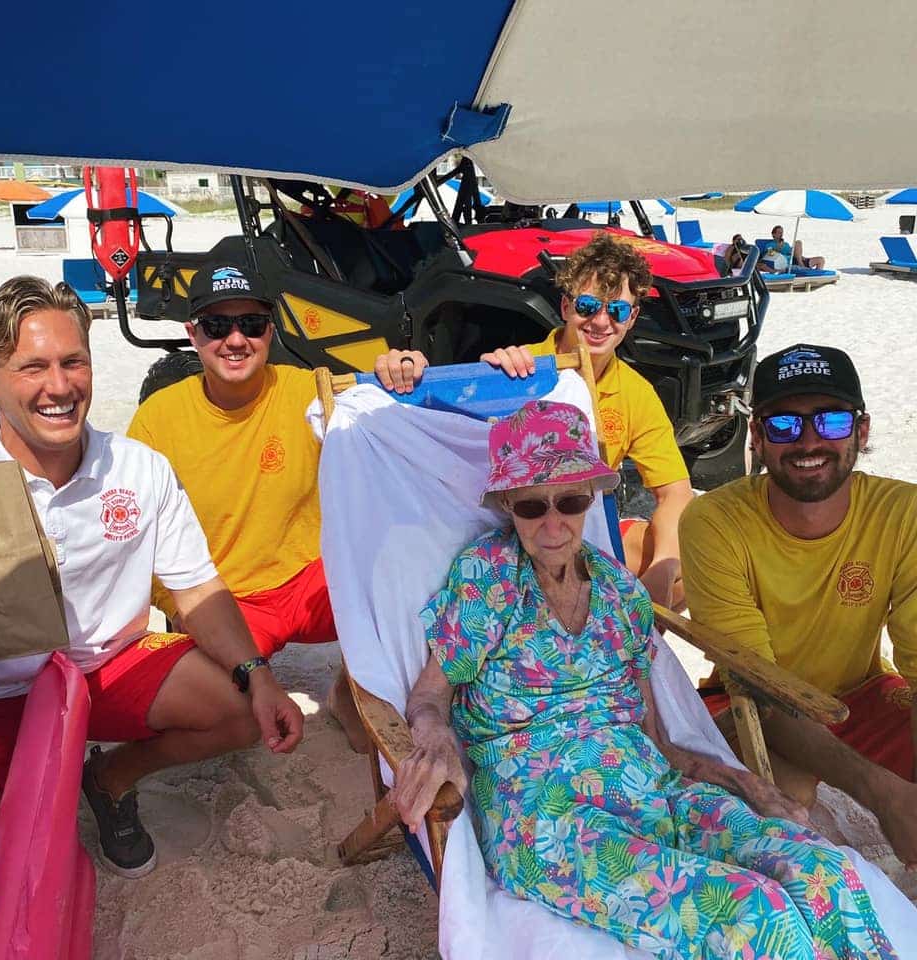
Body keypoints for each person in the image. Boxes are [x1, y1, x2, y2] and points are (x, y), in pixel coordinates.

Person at [392, 399, 898, 958]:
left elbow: (661, 742)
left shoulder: (620, 593)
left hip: (651, 790)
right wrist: (434, 737)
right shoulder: (485, 577)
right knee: (755, 912)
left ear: (593, 496)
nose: (554, 523)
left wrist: (747, 784)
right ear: (508, 503)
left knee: (824, 871)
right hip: (544, 817)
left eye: (572, 500)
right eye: (533, 505)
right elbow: (431, 695)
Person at [0, 276, 304, 879]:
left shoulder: (138, 468)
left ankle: (112, 777)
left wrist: (259, 674)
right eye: (32, 367)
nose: (60, 387)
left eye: (74, 362)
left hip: (105, 667)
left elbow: (196, 587)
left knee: (242, 708)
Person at [127, 258, 428, 753]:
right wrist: (179, 614)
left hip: (311, 578)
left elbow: (396, 424)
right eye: (216, 325)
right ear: (192, 333)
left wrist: (405, 373)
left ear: (271, 330)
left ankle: (350, 697)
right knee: (223, 705)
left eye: (251, 324)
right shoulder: (157, 421)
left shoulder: (310, 389)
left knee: (411, 589)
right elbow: (144, 543)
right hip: (224, 599)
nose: (235, 339)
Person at [680, 343, 917, 869]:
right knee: (790, 802)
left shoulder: (905, 513)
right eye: (784, 425)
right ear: (757, 438)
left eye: (831, 421)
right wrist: (882, 792)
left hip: (864, 694)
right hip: (750, 707)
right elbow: (760, 689)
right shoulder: (715, 523)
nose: (809, 440)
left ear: (862, 431)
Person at [379, 233, 693, 609]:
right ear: (565, 306)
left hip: (578, 530)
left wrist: (663, 566)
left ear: (633, 318)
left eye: (617, 311)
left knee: (688, 567)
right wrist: (405, 374)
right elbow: (441, 433)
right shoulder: (516, 368)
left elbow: (675, 490)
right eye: (588, 305)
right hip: (511, 531)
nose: (600, 321)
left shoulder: (635, 393)